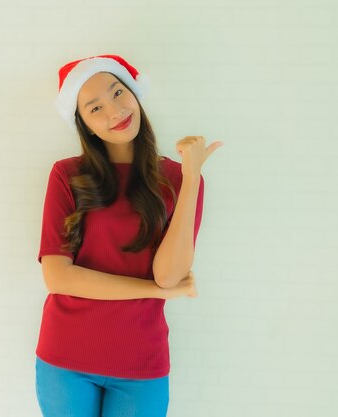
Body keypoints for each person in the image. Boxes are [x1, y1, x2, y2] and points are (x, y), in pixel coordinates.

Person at [35, 54, 224, 417]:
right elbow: (57, 276)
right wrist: (155, 291)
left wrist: (192, 175)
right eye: (95, 107)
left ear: (135, 93)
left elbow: (169, 275)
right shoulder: (66, 175)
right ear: (85, 124)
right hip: (64, 359)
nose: (115, 111)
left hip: (142, 362)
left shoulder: (180, 178)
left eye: (118, 92)